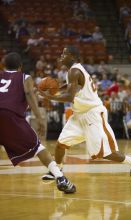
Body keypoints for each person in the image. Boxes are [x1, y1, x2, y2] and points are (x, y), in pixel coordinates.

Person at [40, 45, 131, 182]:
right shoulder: (73, 71)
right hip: (79, 115)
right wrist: (56, 88)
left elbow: (70, 97)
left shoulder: (74, 72)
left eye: (64, 54)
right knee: (61, 144)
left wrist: (48, 96)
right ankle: (57, 170)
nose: (61, 56)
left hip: (92, 114)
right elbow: (74, 87)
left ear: (72, 57)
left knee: (104, 153)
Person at [0, 52, 76, 194]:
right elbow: (28, 94)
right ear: (21, 66)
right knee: (38, 147)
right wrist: (39, 118)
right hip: (11, 116)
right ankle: (60, 178)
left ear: (3, 65)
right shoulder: (25, 77)